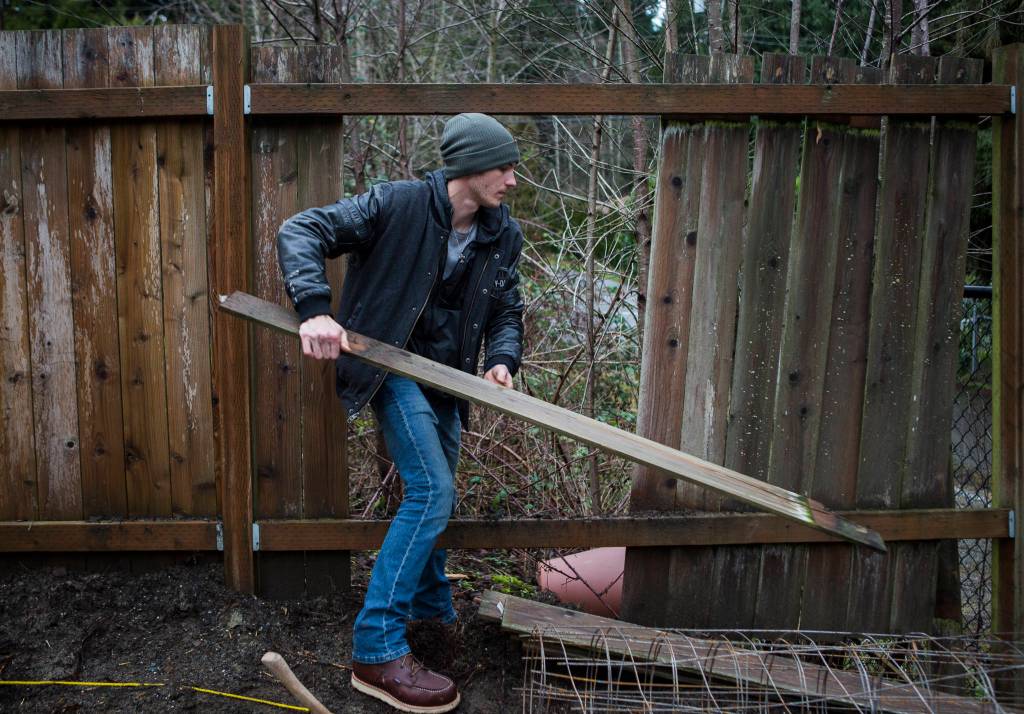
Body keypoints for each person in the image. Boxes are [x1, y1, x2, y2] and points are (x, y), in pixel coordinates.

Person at [276, 113, 525, 713]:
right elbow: (300, 229)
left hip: (447, 380)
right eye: (504, 167)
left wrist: (501, 360)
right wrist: (314, 308)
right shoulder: (396, 204)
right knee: (432, 491)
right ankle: (377, 647)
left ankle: (431, 619)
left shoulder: (501, 234)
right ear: (468, 167)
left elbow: (506, 309)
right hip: (389, 366)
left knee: (437, 495)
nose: (512, 182)